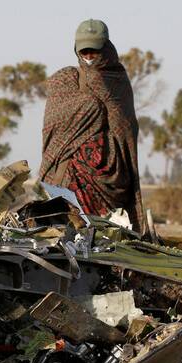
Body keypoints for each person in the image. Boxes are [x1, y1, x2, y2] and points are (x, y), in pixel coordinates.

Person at [39, 19, 145, 231]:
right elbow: (53, 127)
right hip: (71, 173)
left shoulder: (118, 81)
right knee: (70, 232)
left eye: (94, 52)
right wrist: (89, 106)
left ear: (105, 48)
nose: (88, 57)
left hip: (112, 178)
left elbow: (126, 131)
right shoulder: (65, 80)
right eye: (84, 52)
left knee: (108, 235)